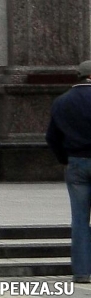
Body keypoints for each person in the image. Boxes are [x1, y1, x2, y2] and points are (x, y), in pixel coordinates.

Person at [47, 59, 91, 280]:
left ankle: (82, 272)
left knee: (80, 219)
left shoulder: (62, 101)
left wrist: (64, 159)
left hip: (75, 163)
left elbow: (52, 137)